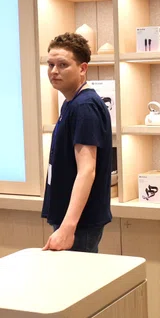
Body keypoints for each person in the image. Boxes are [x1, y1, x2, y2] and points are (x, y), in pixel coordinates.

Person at [42, 32, 114, 252]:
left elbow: (87, 170)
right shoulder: (71, 103)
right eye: (51, 64)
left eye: (63, 65)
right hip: (70, 217)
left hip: (79, 223)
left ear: (82, 68)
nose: (54, 71)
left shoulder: (85, 107)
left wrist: (68, 227)